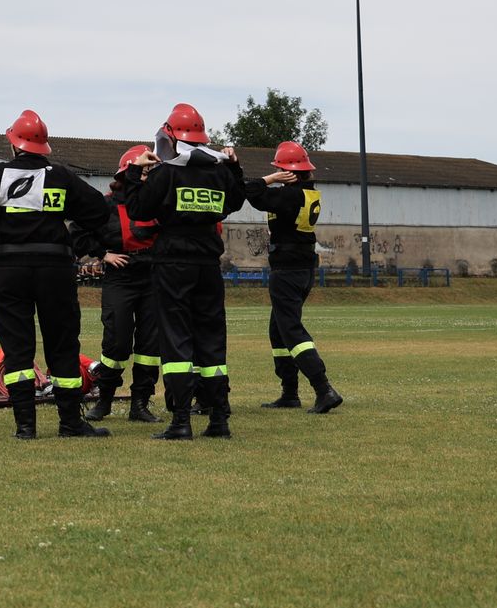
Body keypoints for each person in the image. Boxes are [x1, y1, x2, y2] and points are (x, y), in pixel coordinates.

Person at [0, 110, 114, 440]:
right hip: (55, 269)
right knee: (63, 343)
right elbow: (98, 210)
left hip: (9, 269)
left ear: (14, 144)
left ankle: (25, 426)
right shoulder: (62, 176)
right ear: (44, 147)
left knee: (17, 346)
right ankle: (70, 422)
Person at [128, 104, 249, 441]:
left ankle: (181, 420)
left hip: (172, 265)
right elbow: (237, 201)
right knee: (212, 342)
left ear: (170, 137)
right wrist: (236, 168)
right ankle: (219, 420)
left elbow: (138, 209)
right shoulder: (220, 171)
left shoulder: (167, 172)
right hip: (209, 266)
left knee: (176, 341)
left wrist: (134, 174)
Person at [245, 142, 344, 414]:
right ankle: (289, 393)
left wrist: (270, 179)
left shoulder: (290, 195)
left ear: (289, 172)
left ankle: (323, 388)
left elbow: (251, 191)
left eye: (279, 169)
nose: (276, 172)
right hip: (300, 268)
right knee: (278, 331)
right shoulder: (305, 193)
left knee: (291, 330)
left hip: (288, 270)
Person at [87, 145, 163, 424]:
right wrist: (102, 254)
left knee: (149, 346)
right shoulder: (105, 204)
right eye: (142, 171)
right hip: (120, 277)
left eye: (150, 172)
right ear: (126, 173)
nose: (146, 177)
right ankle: (104, 400)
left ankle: (140, 404)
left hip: (153, 276)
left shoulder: (159, 202)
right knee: (117, 341)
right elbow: (77, 232)